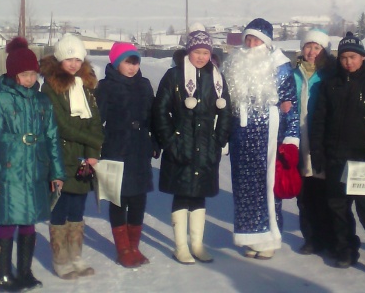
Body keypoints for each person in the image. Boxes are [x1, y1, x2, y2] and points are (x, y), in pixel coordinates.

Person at [310, 32, 365, 279]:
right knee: (338, 209)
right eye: (343, 57)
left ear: (362, 57)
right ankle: (346, 250)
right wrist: (317, 152)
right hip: (336, 157)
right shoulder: (330, 84)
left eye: (353, 57)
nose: (348, 62)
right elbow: (319, 121)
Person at [0, 37, 66, 292]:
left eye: (33, 74)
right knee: (8, 221)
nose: (30, 79)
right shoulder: (1, 101)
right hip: (9, 172)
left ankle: (25, 272)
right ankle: (3, 276)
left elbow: (52, 138)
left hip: (36, 171)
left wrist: (57, 172)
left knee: (29, 221)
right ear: (13, 74)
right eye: (24, 74)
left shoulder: (42, 101)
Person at [152, 27, 231, 265]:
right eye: (197, 52)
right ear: (189, 52)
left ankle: (197, 245)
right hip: (181, 145)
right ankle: (181, 247)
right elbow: (160, 110)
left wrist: (218, 141)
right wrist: (170, 141)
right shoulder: (174, 76)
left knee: (199, 196)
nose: (201, 57)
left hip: (206, 147)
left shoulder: (216, 78)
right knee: (182, 195)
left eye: (205, 52)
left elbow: (226, 112)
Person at [224, 18, 299, 260]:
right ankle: (251, 237)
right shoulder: (234, 64)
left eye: (256, 40)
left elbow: (291, 104)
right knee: (243, 189)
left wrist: (291, 138)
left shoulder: (280, 66)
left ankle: (269, 239)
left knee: (267, 187)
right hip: (241, 137)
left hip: (269, 136)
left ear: (266, 43)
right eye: (248, 39)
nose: (251, 44)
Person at [40, 33, 104, 279]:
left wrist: (93, 153)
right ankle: (60, 259)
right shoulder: (50, 87)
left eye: (78, 59)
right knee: (60, 205)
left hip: (83, 159)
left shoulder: (86, 86)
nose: (74, 64)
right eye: (69, 59)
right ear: (59, 60)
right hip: (60, 155)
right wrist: (93, 142)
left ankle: (76, 255)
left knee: (78, 207)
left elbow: (95, 121)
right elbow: (62, 125)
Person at [95, 42, 160, 268]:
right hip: (116, 149)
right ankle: (123, 248)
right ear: (116, 63)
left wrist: (155, 141)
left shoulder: (144, 85)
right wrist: (99, 146)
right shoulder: (106, 87)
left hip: (140, 150)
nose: (132, 67)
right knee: (119, 199)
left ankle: (134, 246)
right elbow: (97, 120)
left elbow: (153, 116)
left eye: (135, 62)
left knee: (139, 199)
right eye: (127, 62)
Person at [292, 28, 337, 255]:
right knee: (304, 194)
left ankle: (328, 237)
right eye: (308, 46)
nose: (311, 52)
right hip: (298, 139)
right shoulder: (293, 74)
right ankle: (310, 238)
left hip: (321, 140)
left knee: (324, 193)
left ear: (324, 51)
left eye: (316, 47)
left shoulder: (330, 75)